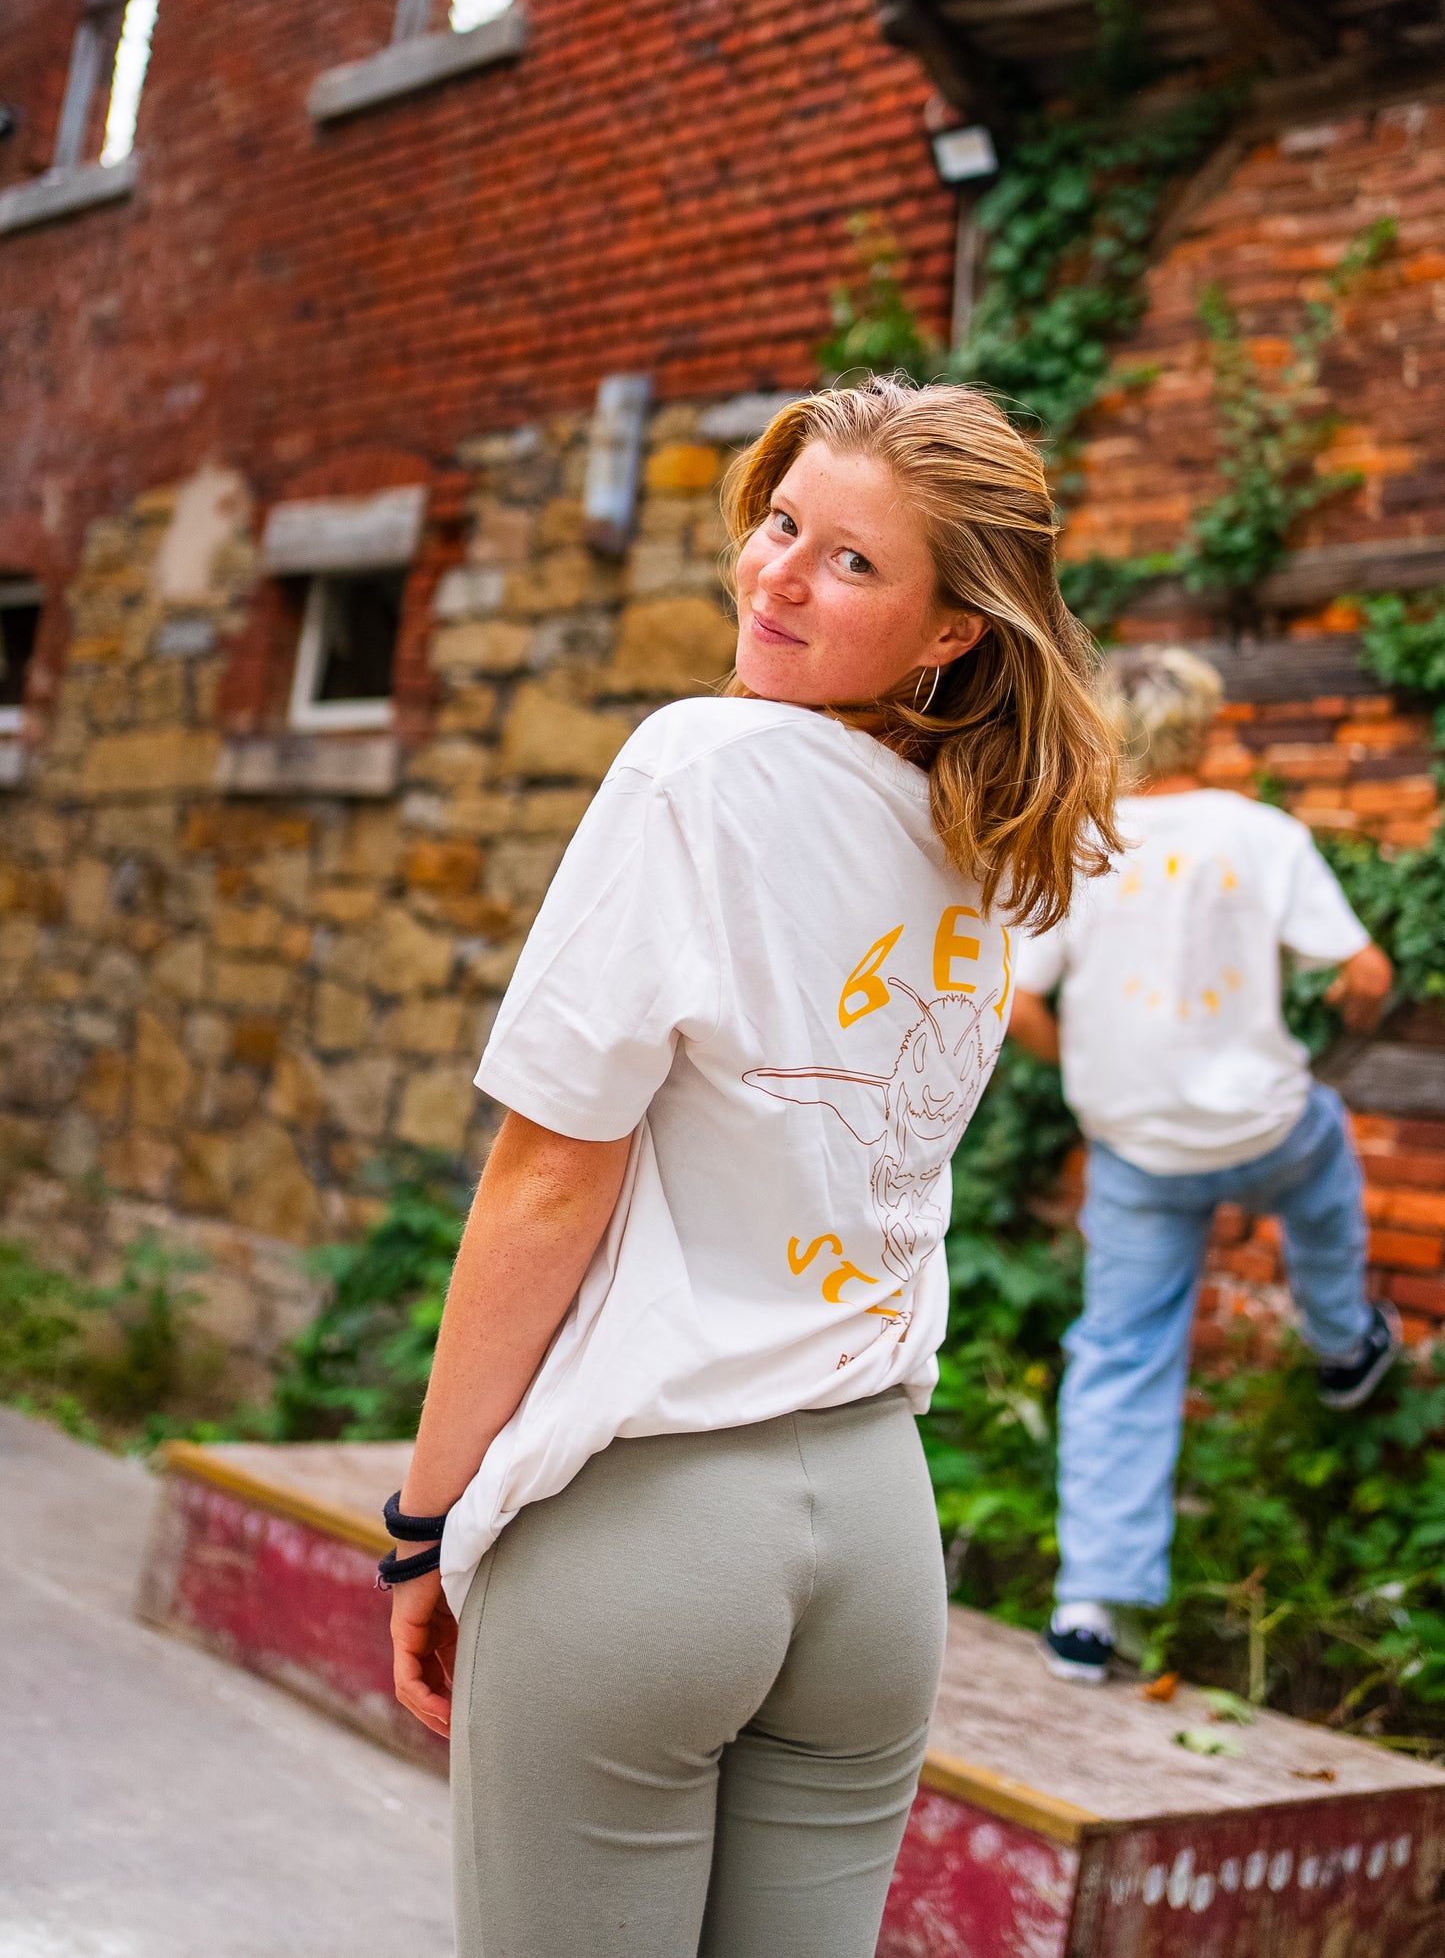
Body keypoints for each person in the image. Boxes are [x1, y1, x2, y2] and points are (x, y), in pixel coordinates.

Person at [381, 377, 1122, 1958]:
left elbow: (544, 1181)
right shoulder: (985, 833)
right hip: (872, 1533)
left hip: (648, 1517)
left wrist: (425, 1516)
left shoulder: (695, 769)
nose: (776, 573)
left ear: (950, 633)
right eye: (780, 524)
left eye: (851, 561)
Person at [1009, 644, 1399, 1687]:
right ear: (1205, 728)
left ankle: (1089, 1608)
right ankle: (1340, 1343)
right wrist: (1353, 1002)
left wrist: (1086, 1066)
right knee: (1324, 1180)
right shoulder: (1258, 835)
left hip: (1135, 1147)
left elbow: (1013, 997)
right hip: (1259, 1126)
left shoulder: (1076, 844)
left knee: (1121, 1353)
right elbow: (1360, 968)